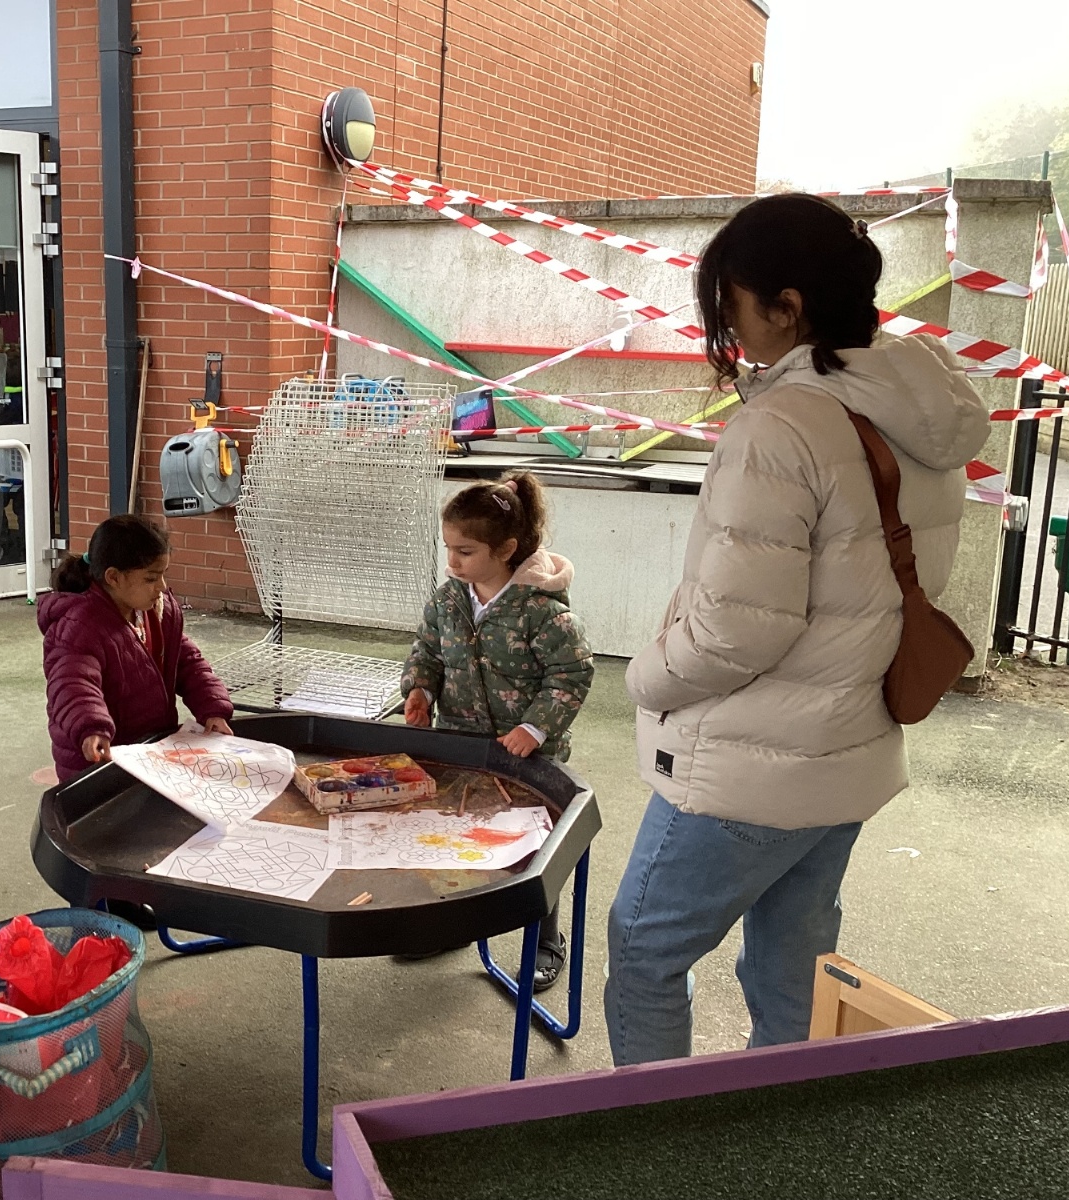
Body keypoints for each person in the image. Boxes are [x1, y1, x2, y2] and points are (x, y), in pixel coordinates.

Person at [607, 194, 991, 1065]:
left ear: (786, 306)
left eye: (734, 305)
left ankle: (654, 1136)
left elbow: (735, 634)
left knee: (644, 950)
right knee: (794, 968)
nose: (730, 328)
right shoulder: (920, 405)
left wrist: (643, 678)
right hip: (850, 754)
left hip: (751, 766)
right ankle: (780, 1126)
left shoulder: (781, 425)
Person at [400, 473, 596, 991]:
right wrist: (420, 691)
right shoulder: (448, 599)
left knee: (533, 847)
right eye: (448, 548)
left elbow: (571, 675)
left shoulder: (544, 612)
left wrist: (534, 727)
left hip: (527, 757)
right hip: (459, 742)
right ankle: (456, 926)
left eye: (465, 551)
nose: (452, 561)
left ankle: (546, 940)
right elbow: (426, 652)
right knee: (455, 834)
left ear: (506, 549)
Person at [38, 514, 234, 784]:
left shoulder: (156, 611)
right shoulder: (80, 626)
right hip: (98, 761)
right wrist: (91, 727)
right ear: (114, 577)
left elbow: (188, 663)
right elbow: (73, 684)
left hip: (149, 751)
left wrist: (212, 708)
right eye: (151, 578)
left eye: (163, 574)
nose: (162, 587)